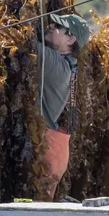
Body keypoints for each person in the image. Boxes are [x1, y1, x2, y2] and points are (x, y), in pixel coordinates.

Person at [37, 14, 91, 200]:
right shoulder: (68, 65)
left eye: (58, 26)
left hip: (44, 151)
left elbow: (20, 42)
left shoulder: (53, 63)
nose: (50, 26)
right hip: (53, 147)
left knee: (32, 213)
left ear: (71, 39)